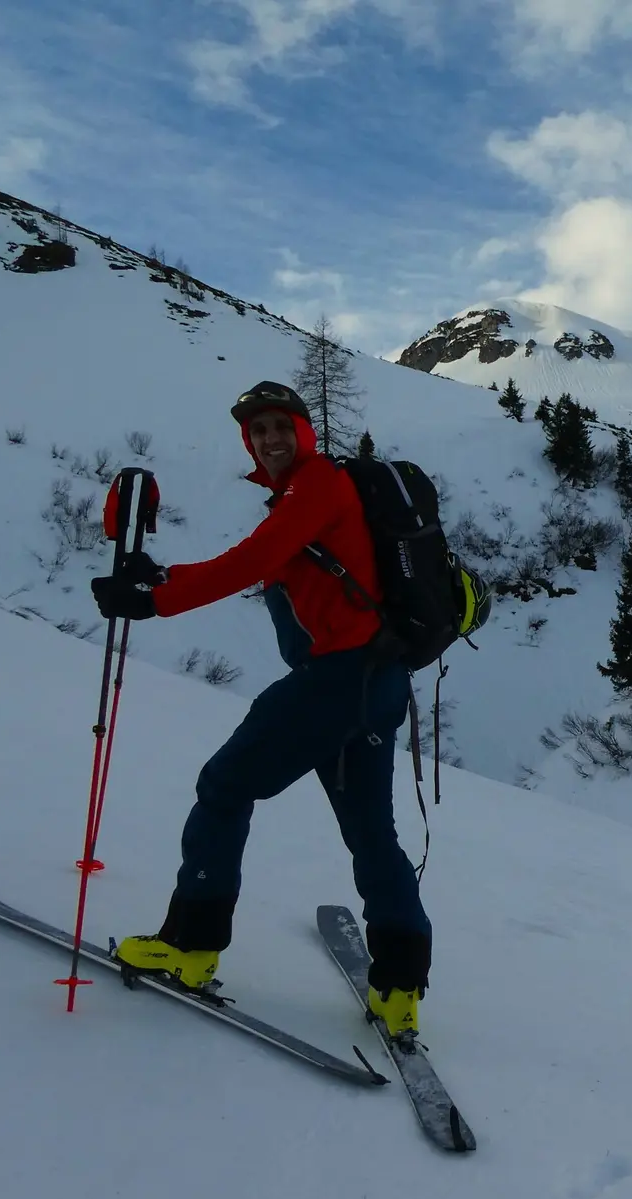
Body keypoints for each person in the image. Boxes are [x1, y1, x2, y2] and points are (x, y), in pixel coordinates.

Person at [90, 381, 431, 1038]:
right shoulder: (309, 499)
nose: (270, 440)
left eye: (280, 426)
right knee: (371, 834)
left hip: (338, 682)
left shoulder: (318, 486)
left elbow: (252, 560)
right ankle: (399, 987)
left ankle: (189, 945)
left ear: (303, 432)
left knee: (223, 786)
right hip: (379, 686)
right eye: (257, 431)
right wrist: (159, 579)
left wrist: (154, 600)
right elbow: (268, 563)